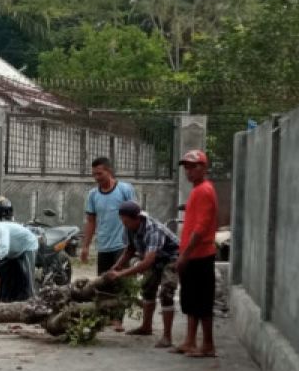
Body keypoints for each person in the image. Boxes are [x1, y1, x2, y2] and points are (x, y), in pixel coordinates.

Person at [104, 200, 180, 348]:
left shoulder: (154, 230)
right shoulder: (129, 226)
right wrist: (116, 266)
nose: (124, 224)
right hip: (154, 258)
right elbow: (130, 250)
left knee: (166, 292)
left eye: (126, 221)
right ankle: (146, 327)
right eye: (122, 221)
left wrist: (122, 274)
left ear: (137, 219)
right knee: (147, 287)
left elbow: (147, 262)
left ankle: (167, 336)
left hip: (172, 259)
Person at [80, 156, 136, 331]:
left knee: (119, 281)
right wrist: (86, 246)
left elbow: (135, 215)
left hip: (123, 244)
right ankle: (105, 317)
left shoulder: (125, 190)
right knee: (103, 283)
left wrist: (136, 243)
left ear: (109, 171)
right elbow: (91, 221)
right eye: (94, 175)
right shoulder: (93, 195)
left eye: (100, 173)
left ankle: (118, 319)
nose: (96, 177)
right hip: (103, 245)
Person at [175, 150, 219, 357]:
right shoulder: (197, 190)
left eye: (193, 167)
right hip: (193, 255)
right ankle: (190, 341)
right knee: (191, 300)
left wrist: (185, 255)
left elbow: (201, 229)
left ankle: (207, 344)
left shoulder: (204, 191)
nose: (189, 171)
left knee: (202, 302)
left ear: (204, 168)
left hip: (200, 255)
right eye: (187, 167)